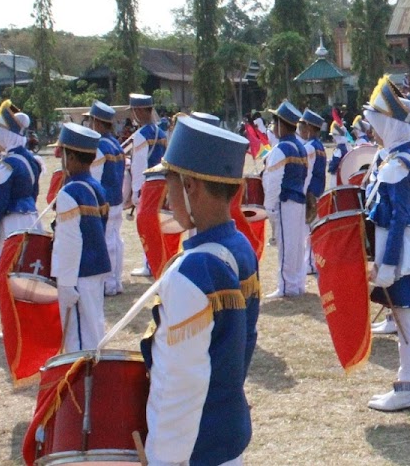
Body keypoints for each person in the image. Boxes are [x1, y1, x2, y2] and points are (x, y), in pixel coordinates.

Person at [141, 115, 259, 465]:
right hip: (227, 431)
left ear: (190, 185)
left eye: (171, 184)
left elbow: (178, 387)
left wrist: (161, 458)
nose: (167, 196)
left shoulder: (191, 272)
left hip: (195, 449)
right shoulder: (240, 246)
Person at [360, 76, 410, 411]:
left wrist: (388, 265)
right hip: (397, 250)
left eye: (377, 126)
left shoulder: (398, 163)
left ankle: (408, 386)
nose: (373, 133)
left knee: (405, 320)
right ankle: (406, 384)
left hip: (400, 253)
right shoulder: (396, 156)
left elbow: (396, 221)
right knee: (404, 319)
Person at [50, 123, 111, 352]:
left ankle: (85, 381)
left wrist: (65, 282)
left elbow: (70, 241)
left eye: (63, 154)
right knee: (93, 326)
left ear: (72, 157)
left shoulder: (70, 191)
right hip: (96, 267)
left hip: (77, 272)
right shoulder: (96, 187)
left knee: (78, 336)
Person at [0, 102, 42, 274]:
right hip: (32, 218)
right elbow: (35, 193)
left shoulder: (7, 165)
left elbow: (1, 200)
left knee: (8, 269)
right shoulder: (32, 160)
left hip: (11, 222)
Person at [263, 101, 308, 298]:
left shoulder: (281, 149)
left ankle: (286, 286)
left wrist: (269, 207)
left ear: (281, 124)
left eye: (274, 123)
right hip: (299, 199)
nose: (273, 128)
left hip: (285, 200)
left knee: (286, 244)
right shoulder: (301, 147)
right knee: (297, 245)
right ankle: (297, 283)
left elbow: (273, 181)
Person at [86, 102, 127, 296]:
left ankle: (109, 283)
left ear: (97, 122)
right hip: (116, 197)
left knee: (108, 241)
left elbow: (95, 176)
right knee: (116, 240)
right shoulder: (115, 143)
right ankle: (116, 280)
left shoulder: (100, 146)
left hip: (105, 200)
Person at [126, 93, 168, 277]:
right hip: (163, 182)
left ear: (141, 111)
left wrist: (136, 190)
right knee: (159, 225)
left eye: (135, 110)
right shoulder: (162, 132)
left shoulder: (142, 135)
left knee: (146, 225)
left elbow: (139, 165)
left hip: (148, 184)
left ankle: (149, 264)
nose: (134, 114)